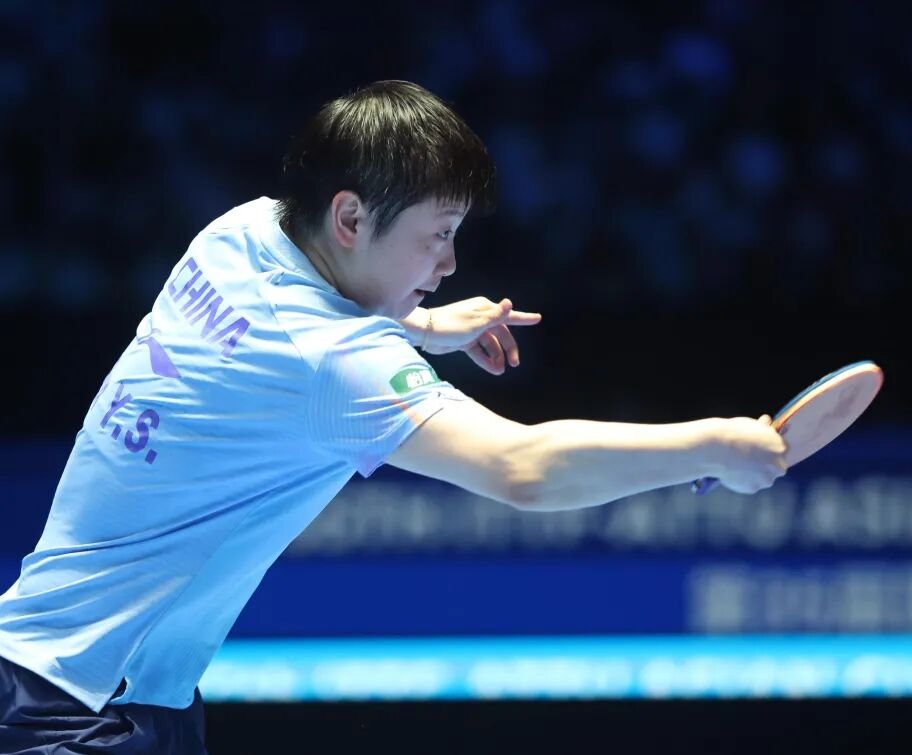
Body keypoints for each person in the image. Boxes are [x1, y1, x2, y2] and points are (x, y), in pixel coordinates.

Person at [0, 80, 786, 753]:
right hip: (78, 710)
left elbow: (297, 328)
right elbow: (524, 468)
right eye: (438, 235)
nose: (449, 264)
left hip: (81, 681)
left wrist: (424, 325)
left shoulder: (241, 231)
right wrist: (711, 446)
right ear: (349, 217)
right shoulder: (337, 363)